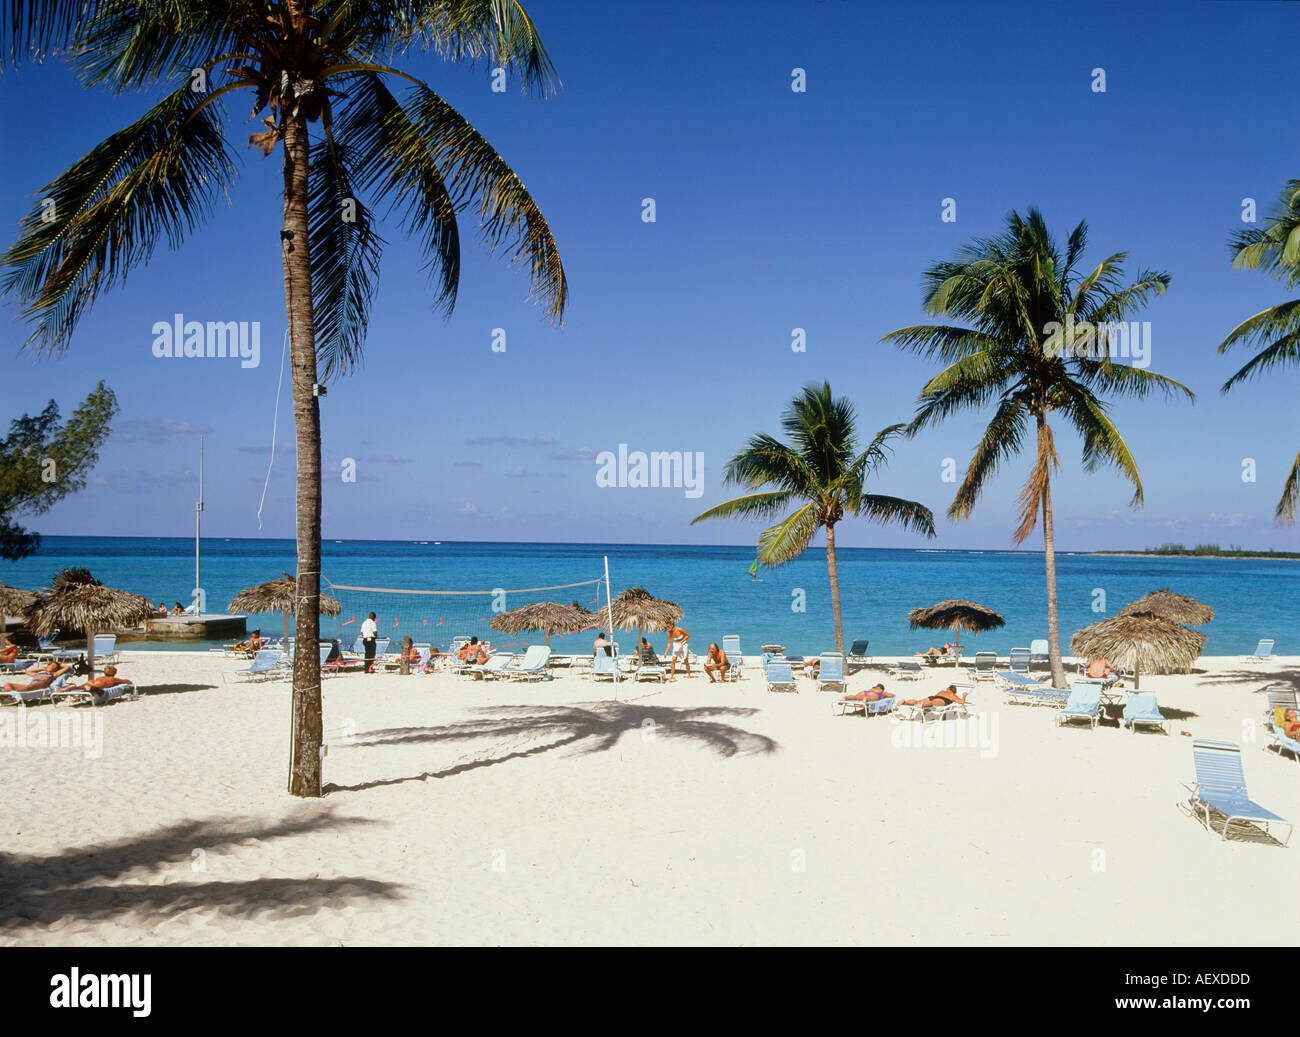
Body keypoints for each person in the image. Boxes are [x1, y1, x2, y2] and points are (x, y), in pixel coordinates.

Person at [2, 660, 70, 694]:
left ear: (56, 669)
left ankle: (9, 694)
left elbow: (67, 667)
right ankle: (7, 693)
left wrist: (58, 664)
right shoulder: (39, 673)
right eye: (50, 665)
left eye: (53, 666)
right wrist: (42, 669)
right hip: (32, 684)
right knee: (7, 684)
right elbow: (27, 672)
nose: (51, 666)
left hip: (42, 684)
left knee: (27, 687)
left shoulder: (54, 674)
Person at [66, 664, 131, 696]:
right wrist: (128, 681)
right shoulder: (113, 679)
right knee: (93, 687)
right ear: (114, 673)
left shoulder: (102, 677)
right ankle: (89, 688)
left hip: (93, 681)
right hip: (101, 683)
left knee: (81, 687)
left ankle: (71, 688)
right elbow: (124, 681)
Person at [898, 683, 968, 708]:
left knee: (917, 701)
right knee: (932, 703)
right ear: (953, 691)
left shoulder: (941, 691)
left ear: (948, 688)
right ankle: (921, 705)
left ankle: (905, 702)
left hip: (934, 697)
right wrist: (964, 695)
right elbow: (962, 702)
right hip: (942, 700)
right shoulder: (952, 695)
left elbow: (935, 697)